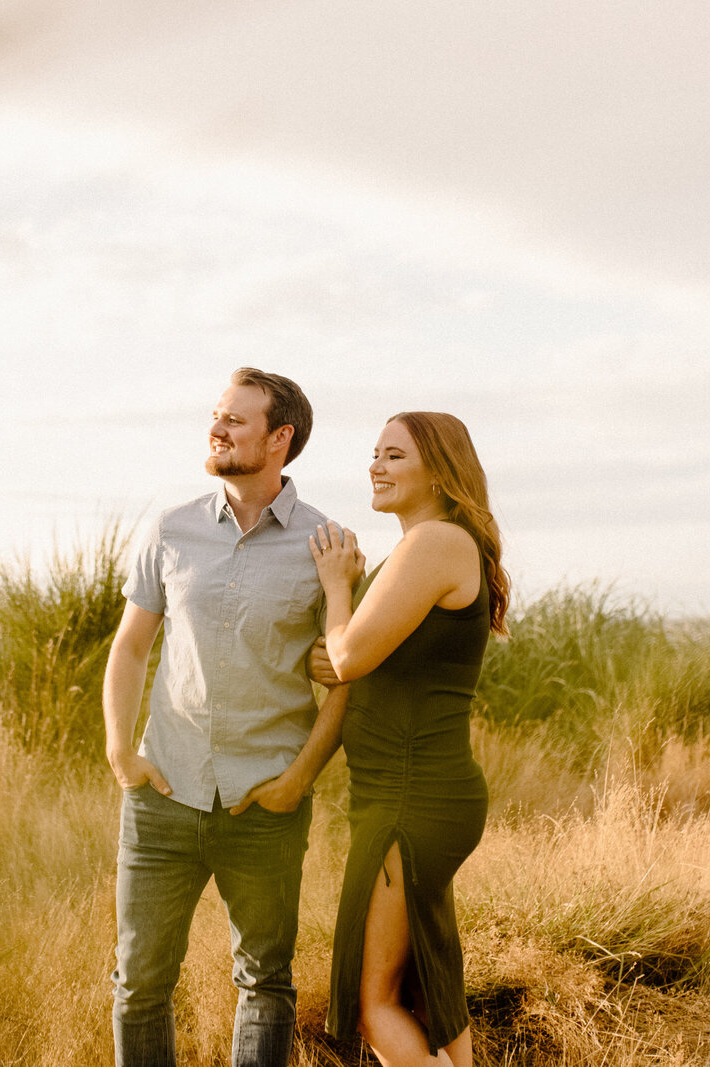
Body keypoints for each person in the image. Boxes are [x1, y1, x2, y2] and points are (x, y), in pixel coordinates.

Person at [103, 368, 350, 1067]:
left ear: (281, 437)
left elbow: (345, 676)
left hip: (264, 800)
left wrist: (299, 778)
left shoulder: (327, 545)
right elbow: (130, 647)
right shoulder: (171, 527)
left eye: (236, 420)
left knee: (266, 982)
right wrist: (123, 752)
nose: (217, 427)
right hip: (163, 794)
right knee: (140, 982)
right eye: (216, 414)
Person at [309, 411, 510, 1067]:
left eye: (394, 455)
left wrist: (337, 588)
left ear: (440, 471)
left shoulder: (434, 543)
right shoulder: (429, 547)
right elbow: (362, 657)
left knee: (378, 1005)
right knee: (429, 994)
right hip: (412, 795)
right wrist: (340, 646)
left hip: (408, 798)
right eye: (375, 453)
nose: (376, 465)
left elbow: (350, 657)